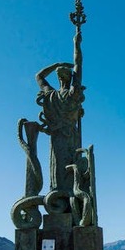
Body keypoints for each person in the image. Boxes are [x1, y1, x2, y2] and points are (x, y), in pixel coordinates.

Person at [35, 33, 85, 196]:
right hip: (71, 136)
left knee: (57, 168)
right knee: (73, 167)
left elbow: (39, 76)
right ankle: (71, 195)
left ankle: (58, 194)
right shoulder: (73, 94)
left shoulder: (50, 95)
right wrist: (76, 45)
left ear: (58, 79)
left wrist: (58, 63)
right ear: (70, 79)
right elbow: (78, 64)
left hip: (57, 138)